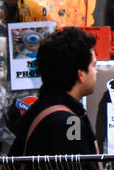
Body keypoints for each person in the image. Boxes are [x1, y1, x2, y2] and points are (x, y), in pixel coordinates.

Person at [8, 26, 100, 158]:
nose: (96, 72)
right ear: (81, 74)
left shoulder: (40, 110)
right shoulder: (68, 122)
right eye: (93, 66)